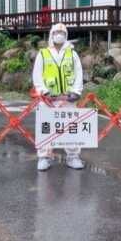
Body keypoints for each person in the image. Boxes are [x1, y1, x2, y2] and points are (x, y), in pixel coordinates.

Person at [32, 22, 85, 171]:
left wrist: (76, 91)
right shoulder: (43, 54)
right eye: (56, 32)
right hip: (48, 99)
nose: (59, 35)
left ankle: (73, 157)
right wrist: (43, 92)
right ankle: (44, 157)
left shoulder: (72, 54)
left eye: (62, 33)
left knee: (71, 127)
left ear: (66, 35)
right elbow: (37, 75)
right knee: (45, 128)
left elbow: (78, 73)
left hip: (67, 99)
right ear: (51, 35)